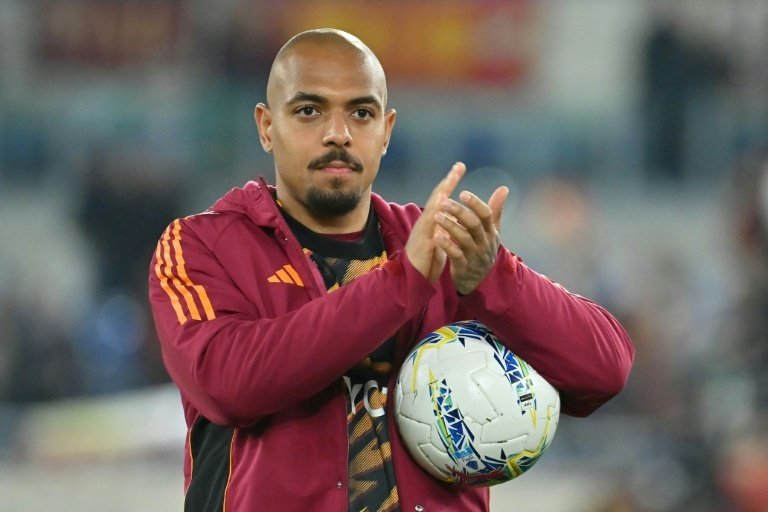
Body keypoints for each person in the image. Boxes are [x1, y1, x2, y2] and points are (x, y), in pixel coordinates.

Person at [148, 28, 634, 512]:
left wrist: (494, 280)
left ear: (387, 131)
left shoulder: (444, 248)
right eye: (309, 111)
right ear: (266, 125)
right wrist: (404, 282)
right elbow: (229, 383)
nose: (337, 134)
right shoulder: (201, 245)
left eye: (361, 113)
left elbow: (605, 370)